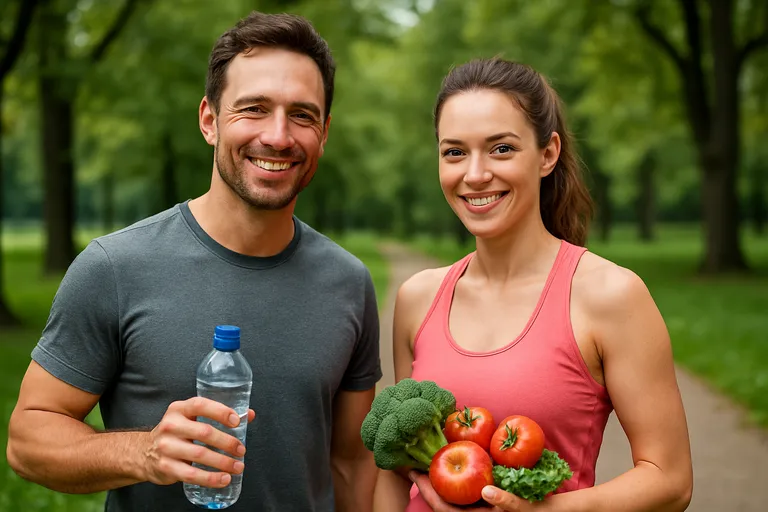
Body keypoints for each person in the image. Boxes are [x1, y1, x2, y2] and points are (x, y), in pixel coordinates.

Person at [6, 11, 381, 512]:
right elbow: (27, 441)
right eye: (254, 108)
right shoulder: (115, 268)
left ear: (325, 132)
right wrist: (143, 453)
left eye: (302, 115)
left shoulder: (349, 283)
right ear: (209, 120)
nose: (278, 136)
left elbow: (352, 463)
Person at [373, 58, 693, 511]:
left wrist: (544, 511)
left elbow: (670, 480)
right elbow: (397, 468)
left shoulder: (609, 296)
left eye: (501, 148)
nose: (475, 173)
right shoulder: (417, 298)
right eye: (454, 152)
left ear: (548, 154)